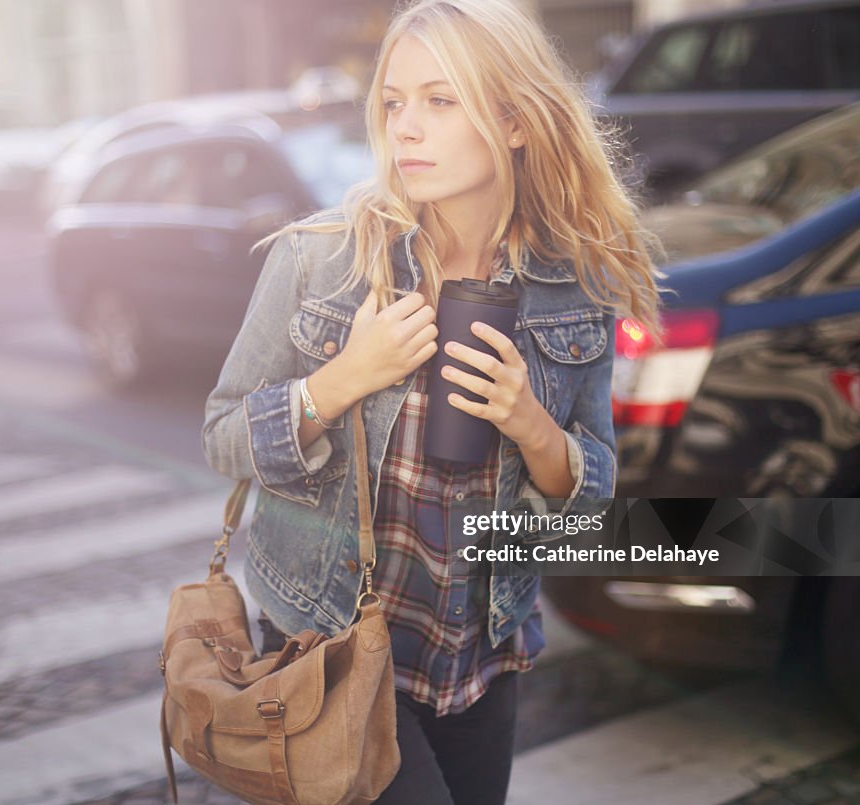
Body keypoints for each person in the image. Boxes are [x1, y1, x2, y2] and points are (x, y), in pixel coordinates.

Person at [203, 0, 662, 802]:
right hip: (330, 642)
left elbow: (590, 494)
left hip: (479, 655)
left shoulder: (572, 286)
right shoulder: (324, 260)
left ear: (515, 120)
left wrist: (529, 423)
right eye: (394, 101)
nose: (406, 127)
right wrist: (344, 377)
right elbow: (221, 436)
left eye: (440, 100)